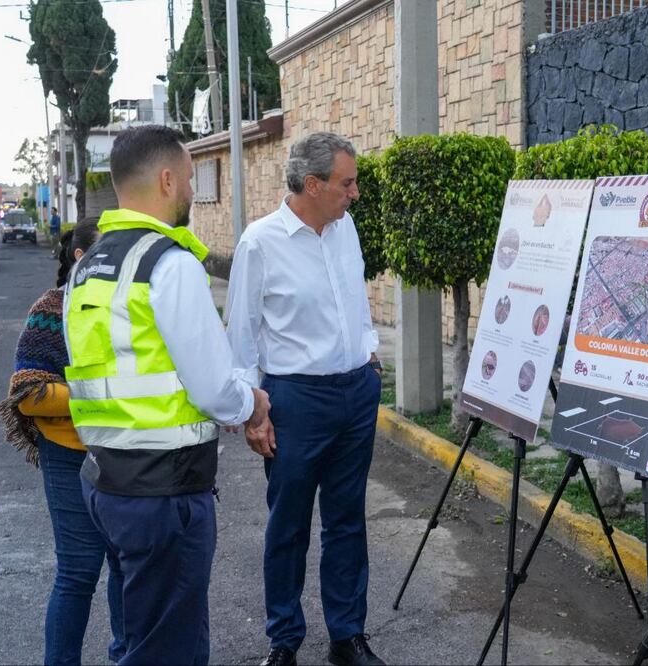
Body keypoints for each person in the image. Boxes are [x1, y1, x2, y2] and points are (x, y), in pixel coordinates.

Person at [62, 125, 272, 666]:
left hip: (106, 484)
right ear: (165, 179)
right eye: (186, 178)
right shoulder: (168, 264)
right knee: (168, 650)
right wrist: (252, 404)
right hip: (163, 493)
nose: (187, 192)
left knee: (137, 634)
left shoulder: (87, 266)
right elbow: (211, 384)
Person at [226, 132, 385, 666]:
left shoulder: (345, 229)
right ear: (312, 185)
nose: (355, 194)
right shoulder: (259, 242)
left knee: (347, 520)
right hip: (296, 400)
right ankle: (284, 640)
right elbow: (242, 334)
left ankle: (347, 635)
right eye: (347, 183)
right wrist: (253, 410)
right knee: (289, 524)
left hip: (355, 394)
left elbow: (355, 300)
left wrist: (370, 354)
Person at [0, 218, 125, 666]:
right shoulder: (51, 309)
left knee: (127, 569)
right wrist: (103, 396)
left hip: (128, 453)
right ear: (81, 258)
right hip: (69, 456)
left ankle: (126, 656)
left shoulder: (130, 307)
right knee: (78, 573)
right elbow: (28, 393)